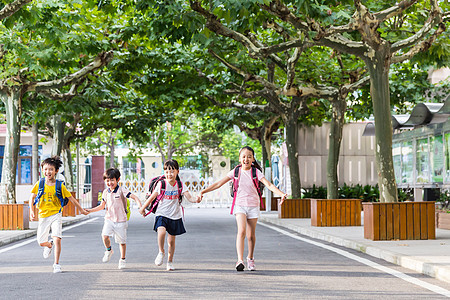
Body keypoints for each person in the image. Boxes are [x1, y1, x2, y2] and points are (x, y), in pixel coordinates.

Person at [199, 146, 288, 271]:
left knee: (251, 236)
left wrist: (281, 194)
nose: (246, 159)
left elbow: (268, 184)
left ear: (253, 159)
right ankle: (239, 260)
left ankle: (250, 258)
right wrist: (204, 191)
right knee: (241, 231)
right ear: (240, 159)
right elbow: (219, 183)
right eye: (244, 156)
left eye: (249, 156)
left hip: (253, 206)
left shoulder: (256, 172)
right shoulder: (235, 172)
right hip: (240, 205)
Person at [29, 156, 88, 274]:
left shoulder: (60, 185)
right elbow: (32, 196)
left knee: (57, 239)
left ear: (56, 171)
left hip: (56, 214)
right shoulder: (40, 183)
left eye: (51, 169)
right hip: (43, 216)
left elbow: (71, 198)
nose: (48, 172)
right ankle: (48, 245)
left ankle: (56, 264)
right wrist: (31, 210)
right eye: (45, 169)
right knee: (41, 242)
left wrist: (81, 210)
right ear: (42, 170)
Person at [139, 159, 200, 271]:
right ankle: (161, 252)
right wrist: (143, 208)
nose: (169, 174)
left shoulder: (180, 185)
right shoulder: (161, 184)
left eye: (172, 171)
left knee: (171, 242)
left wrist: (196, 200)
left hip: (175, 215)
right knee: (161, 232)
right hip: (162, 214)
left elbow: (190, 198)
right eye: (167, 171)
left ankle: (170, 261)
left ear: (177, 171)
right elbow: (152, 197)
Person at [86, 168, 142, 269]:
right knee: (104, 236)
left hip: (121, 221)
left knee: (122, 242)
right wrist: (90, 211)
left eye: (112, 180)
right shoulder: (105, 192)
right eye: (107, 180)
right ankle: (109, 250)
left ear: (118, 180)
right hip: (109, 219)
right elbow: (102, 206)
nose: (109, 182)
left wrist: (140, 206)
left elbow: (135, 197)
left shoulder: (122, 191)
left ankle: (122, 259)